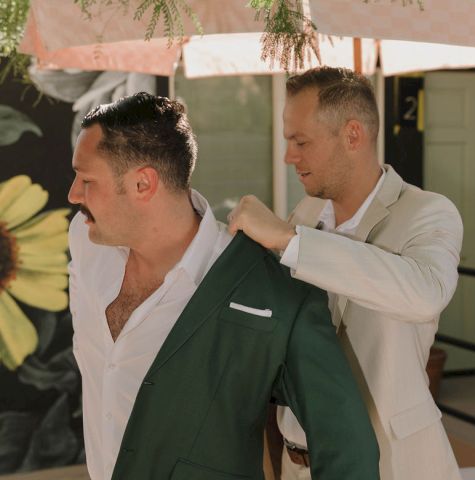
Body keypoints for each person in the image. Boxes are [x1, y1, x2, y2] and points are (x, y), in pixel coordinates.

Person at [67, 92, 379, 480]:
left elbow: (348, 447)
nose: (73, 195)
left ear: (143, 183)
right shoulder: (86, 241)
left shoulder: (267, 289)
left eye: (86, 179)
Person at [228, 67, 464, 480]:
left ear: (352, 136)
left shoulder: (429, 212)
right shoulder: (305, 214)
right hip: (297, 462)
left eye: (301, 142)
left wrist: (290, 241)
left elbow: (425, 293)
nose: (289, 157)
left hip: (390, 464)